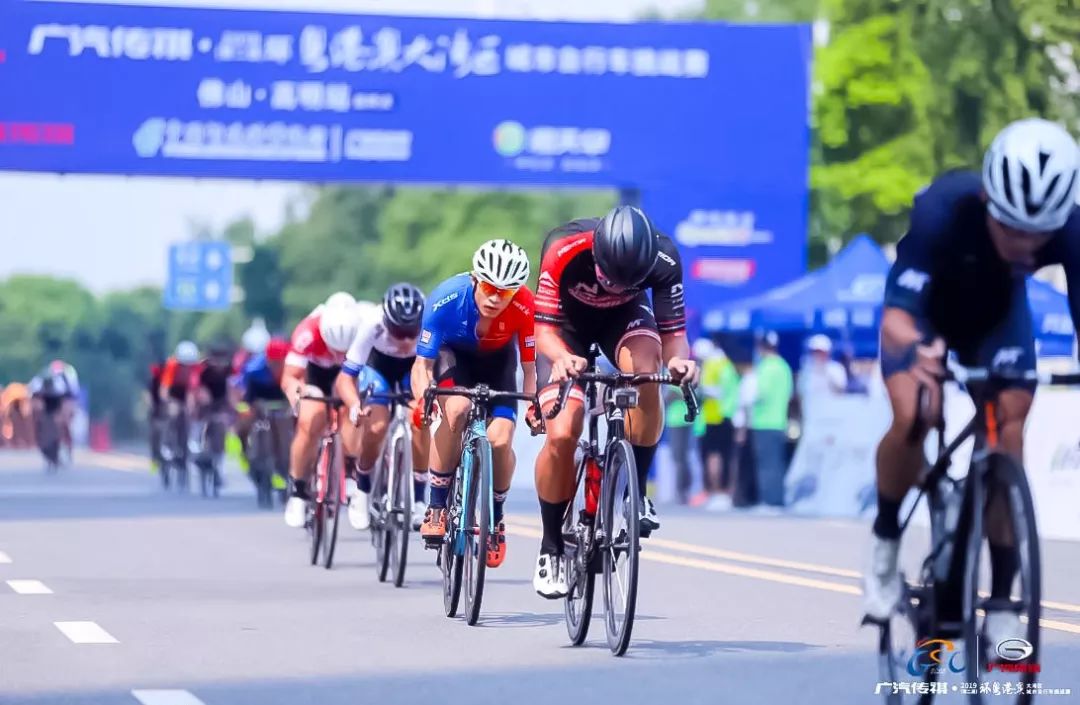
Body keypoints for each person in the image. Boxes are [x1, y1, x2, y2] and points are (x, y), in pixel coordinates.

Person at [863, 118, 1080, 652]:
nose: (1027, 246)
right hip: (925, 318)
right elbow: (895, 317)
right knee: (917, 411)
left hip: (997, 321)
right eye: (1012, 229)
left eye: (1040, 235)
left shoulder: (1071, 230)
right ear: (988, 199)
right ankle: (886, 542)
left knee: (1008, 434)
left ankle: (1003, 598)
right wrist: (919, 351)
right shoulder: (945, 208)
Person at [532, 205, 698, 598]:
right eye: (609, 279)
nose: (615, 288)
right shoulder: (563, 246)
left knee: (646, 373)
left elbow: (674, 335)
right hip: (564, 329)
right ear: (597, 254)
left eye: (629, 282)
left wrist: (679, 363)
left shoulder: (664, 258)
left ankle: (636, 493)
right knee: (562, 432)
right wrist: (561, 358)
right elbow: (542, 331)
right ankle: (551, 545)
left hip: (623, 322)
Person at [411, 240, 539, 570]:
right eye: (489, 287)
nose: (496, 298)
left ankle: (495, 516)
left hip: (498, 364)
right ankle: (437, 506)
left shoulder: (525, 305)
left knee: (500, 439)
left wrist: (533, 406)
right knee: (456, 411)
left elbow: (529, 368)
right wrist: (423, 398)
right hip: (454, 359)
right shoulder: (446, 297)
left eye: (506, 292)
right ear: (474, 279)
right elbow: (423, 366)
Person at [336, 283, 429, 532]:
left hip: (414, 369)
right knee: (376, 427)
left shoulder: (431, 323)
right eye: (399, 333)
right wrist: (355, 405)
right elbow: (345, 378)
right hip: (378, 368)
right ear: (386, 322)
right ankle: (363, 486)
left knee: (421, 419)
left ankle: (419, 498)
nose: (406, 340)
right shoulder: (371, 325)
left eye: (412, 332)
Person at [281, 294, 362, 528]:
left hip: (347, 377)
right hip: (314, 377)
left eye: (343, 350)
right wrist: (300, 396)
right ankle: (298, 490)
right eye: (333, 349)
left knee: (354, 410)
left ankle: (349, 467)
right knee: (311, 417)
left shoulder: (363, 330)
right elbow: (290, 378)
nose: (337, 355)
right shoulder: (307, 332)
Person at [743, 331, 793, 508]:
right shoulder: (784, 367)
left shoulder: (765, 367)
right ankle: (776, 499)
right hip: (779, 421)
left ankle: (769, 501)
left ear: (762, 347)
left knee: (765, 464)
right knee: (776, 464)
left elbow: (759, 393)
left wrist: (747, 398)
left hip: (763, 422)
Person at [235, 337, 292, 489]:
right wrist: (249, 409)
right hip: (260, 403)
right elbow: (248, 398)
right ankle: (248, 453)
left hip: (284, 404)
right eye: (272, 362)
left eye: (279, 362)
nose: (276, 366)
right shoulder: (254, 370)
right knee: (244, 423)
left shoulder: (293, 369)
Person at [695, 338, 740, 510]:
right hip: (724, 415)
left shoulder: (714, 365)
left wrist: (698, 388)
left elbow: (711, 390)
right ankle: (722, 492)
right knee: (724, 455)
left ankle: (718, 492)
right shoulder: (726, 364)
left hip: (716, 416)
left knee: (714, 456)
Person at [29, 360, 80, 461]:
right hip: (46, 403)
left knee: (64, 423)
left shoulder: (62, 381)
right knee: (38, 420)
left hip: (63, 401)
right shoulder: (39, 380)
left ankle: (68, 446)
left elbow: (72, 393)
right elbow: (31, 394)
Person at [798, 334, 848, 419]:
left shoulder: (836, 369)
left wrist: (825, 372)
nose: (818, 355)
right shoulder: (806, 371)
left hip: (832, 414)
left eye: (821, 352)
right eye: (815, 352)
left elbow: (841, 388)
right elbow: (801, 393)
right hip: (812, 414)